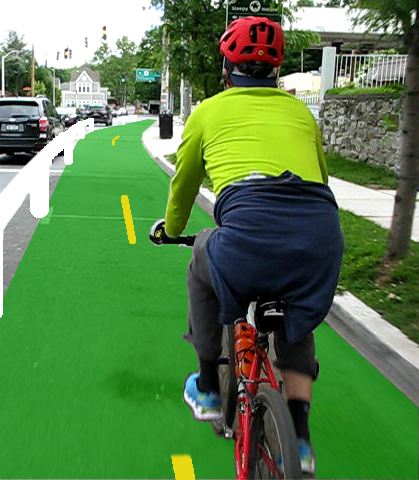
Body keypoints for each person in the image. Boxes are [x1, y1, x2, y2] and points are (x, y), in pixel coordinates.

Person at [150, 16, 344, 476]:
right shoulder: (301, 113)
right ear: (276, 71)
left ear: (226, 68)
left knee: (201, 261)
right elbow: (321, 176)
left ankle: (209, 388)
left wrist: (171, 227)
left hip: (247, 235)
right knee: (295, 322)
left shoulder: (207, 113)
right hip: (319, 235)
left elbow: (183, 186)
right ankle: (298, 440)